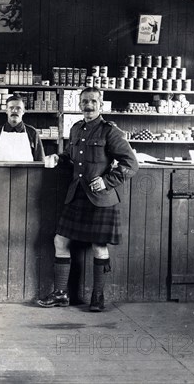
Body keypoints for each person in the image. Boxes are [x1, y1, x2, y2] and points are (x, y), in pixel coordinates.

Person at [37, 87, 138, 311]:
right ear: (79, 104)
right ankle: (61, 294)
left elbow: (131, 164)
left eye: (93, 101)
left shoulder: (110, 131)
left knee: (99, 247)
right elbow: (73, 159)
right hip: (77, 195)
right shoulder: (75, 129)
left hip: (101, 198)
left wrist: (107, 181)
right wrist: (58, 157)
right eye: (84, 102)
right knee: (60, 241)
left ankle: (98, 297)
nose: (88, 106)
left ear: (101, 105)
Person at [0, 94, 45, 161]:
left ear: (23, 111)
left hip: (27, 171)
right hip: (2, 171)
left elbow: (40, 161)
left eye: (18, 108)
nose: (14, 111)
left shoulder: (32, 133)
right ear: (6, 110)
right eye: (11, 108)